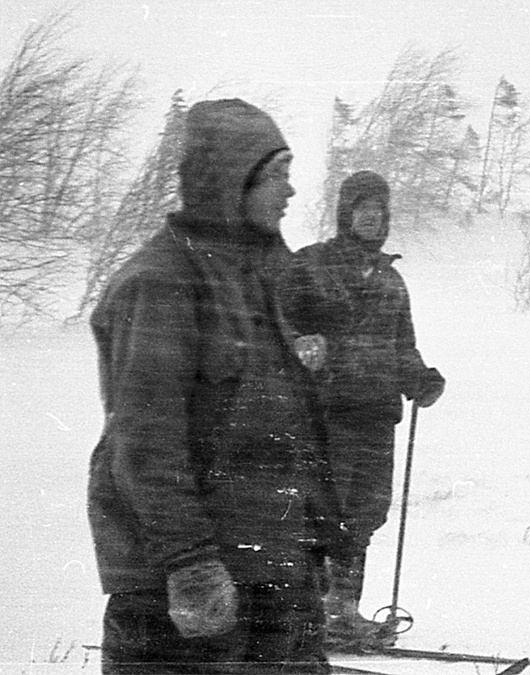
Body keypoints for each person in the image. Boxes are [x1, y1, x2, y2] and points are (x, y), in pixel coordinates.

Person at [88, 99, 346, 673]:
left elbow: (289, 429)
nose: (290, 192)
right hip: (187, 589)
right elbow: (146, 445)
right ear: (233, 181)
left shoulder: (262, 277)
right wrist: (191, 563)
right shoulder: (161, 282)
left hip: (273, 574)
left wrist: (310, 540)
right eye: (278, 174)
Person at [281, 170, 445, 651]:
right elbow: (275, 317)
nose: (372, 217)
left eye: (380, 209)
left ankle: (342, 612)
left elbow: (402, 346)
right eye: (362, 208)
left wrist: (420, 379)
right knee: (319, 512)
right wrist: (299, 343)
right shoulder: (310, 266)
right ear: (345, 214)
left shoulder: (393, 282)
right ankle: (305, 614)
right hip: (324, 412)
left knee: (365, 513)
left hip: (377, 412)